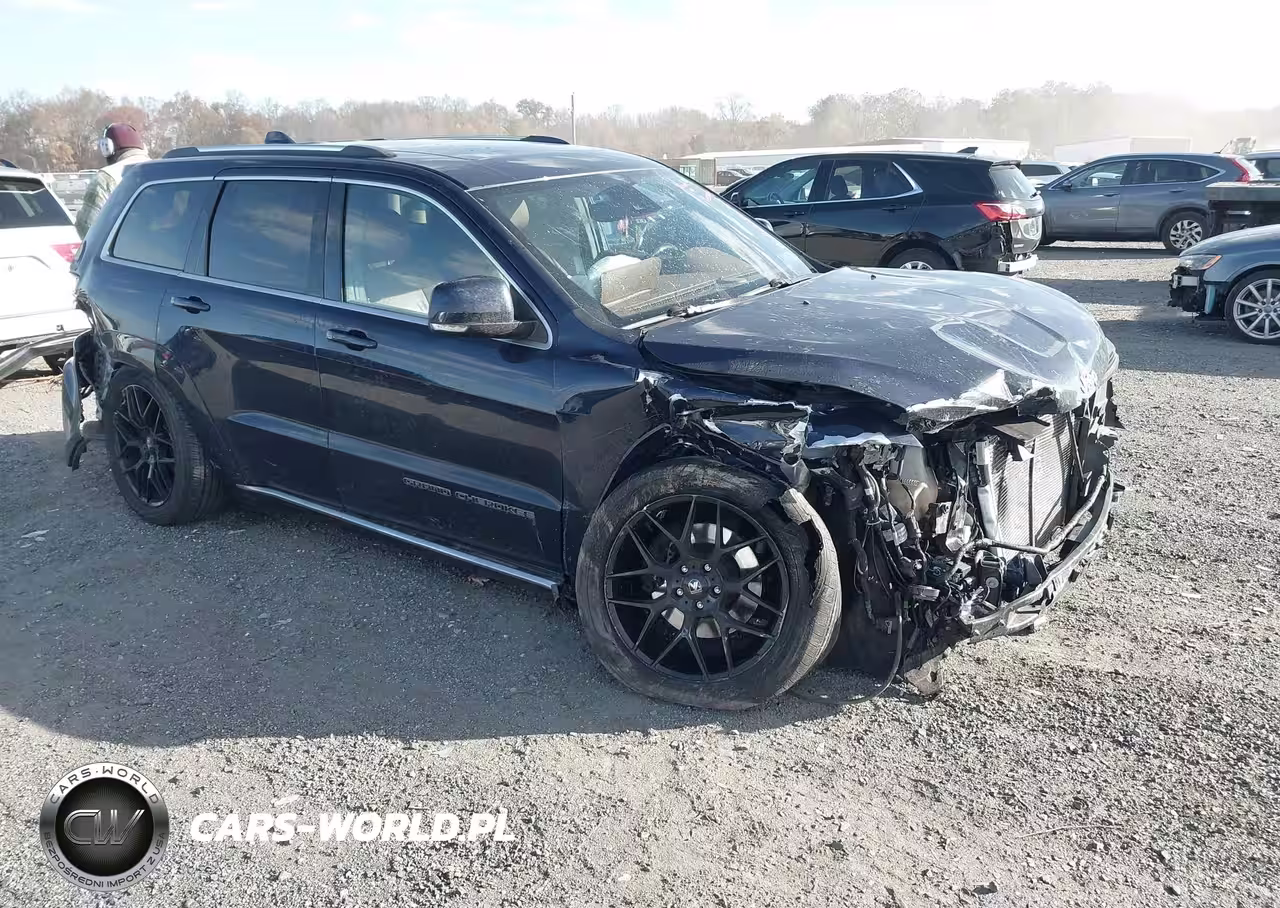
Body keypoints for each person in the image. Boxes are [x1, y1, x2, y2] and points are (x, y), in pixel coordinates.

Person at [75, 123, 151, 238]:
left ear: (107, 147)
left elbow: (88, 227)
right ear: (143, 147)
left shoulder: (106, 177)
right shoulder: (163, 171)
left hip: (125, 248)